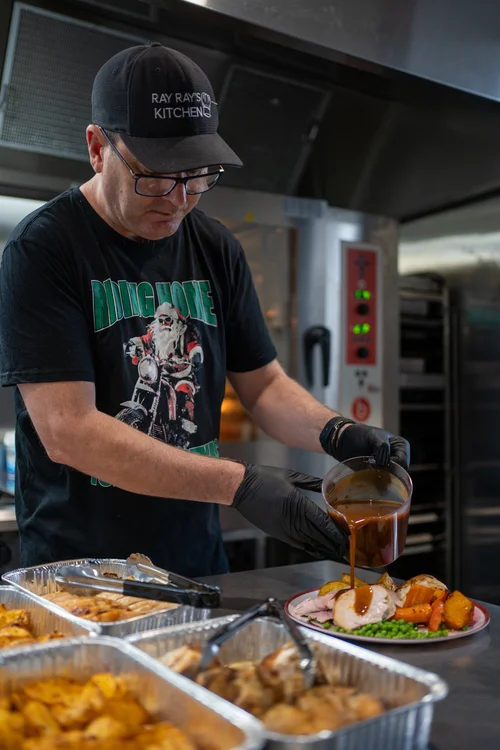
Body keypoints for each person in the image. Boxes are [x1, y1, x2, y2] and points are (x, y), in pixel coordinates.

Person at [0, 43, 410, 577]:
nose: (178, 198)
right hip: (81, 577)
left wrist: (339, 433)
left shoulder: (217, 248)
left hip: (197, 567)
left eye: (197, 176)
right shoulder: (44, 248)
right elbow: (69, 431)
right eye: (155, 176)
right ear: (98, 148)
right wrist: (237, 484)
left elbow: (263, 387)